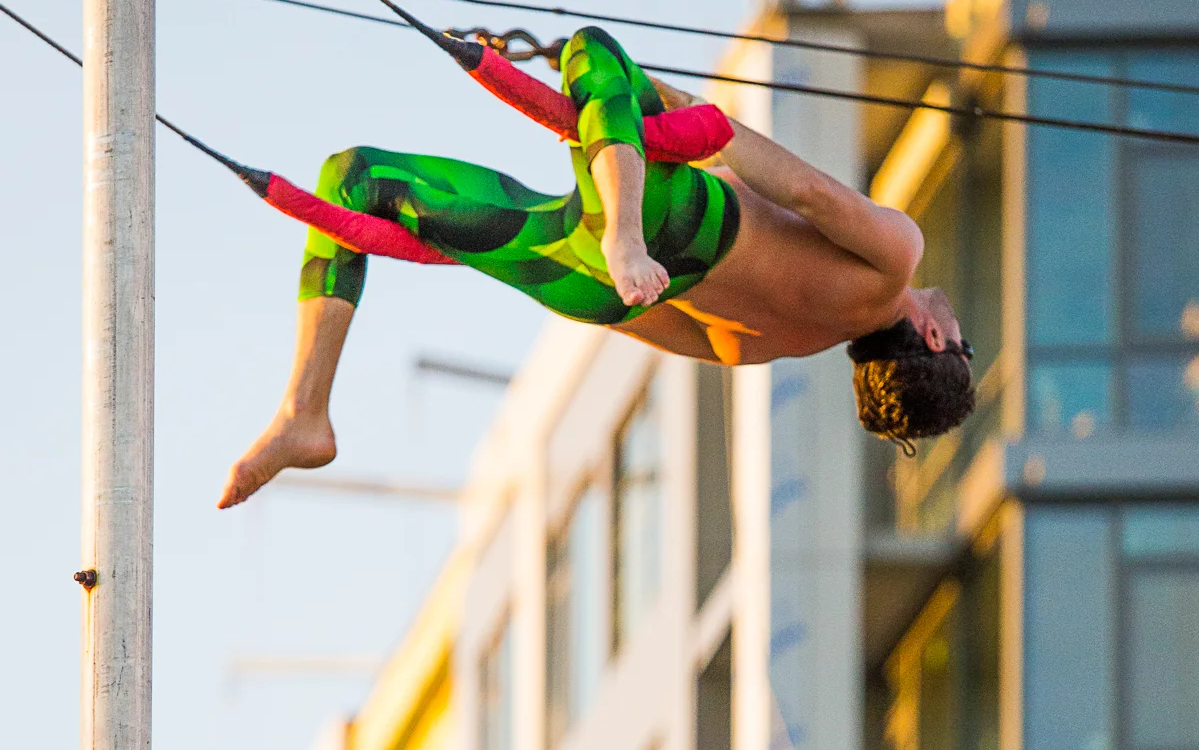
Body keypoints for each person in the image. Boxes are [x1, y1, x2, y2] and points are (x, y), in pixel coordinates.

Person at [219, 26, 974, 507]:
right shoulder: (765, 346)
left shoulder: (892, 258)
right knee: (356, 180)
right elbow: (629, 312)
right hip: (586, 277)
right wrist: (607, 158)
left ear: (933, 341)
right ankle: (302, 418)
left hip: (660, 227)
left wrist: (676, 136)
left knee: (591, 49)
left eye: (962, 338)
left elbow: (807, 190)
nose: (958, 322)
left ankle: (304, 401)